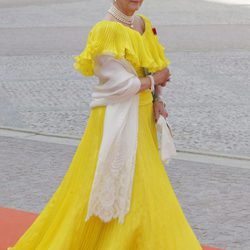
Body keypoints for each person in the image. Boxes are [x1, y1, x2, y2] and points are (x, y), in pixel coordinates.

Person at [8, 0, 203, 249]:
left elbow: (151, 68)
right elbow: (117, 86)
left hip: (142, 119)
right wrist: (155, 80)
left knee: (141, 187)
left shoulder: (145, 25)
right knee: (112, 185)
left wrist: (157, 100)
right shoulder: (106, 29)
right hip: (116, 120)